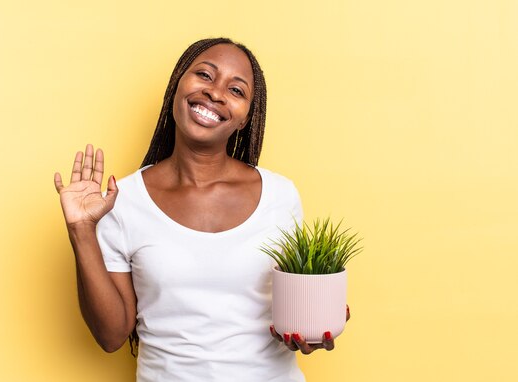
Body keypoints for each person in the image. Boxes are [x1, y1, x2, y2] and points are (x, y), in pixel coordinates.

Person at [54, 38, 350, 382]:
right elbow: (111, 336)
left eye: (236, 90)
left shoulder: (280, 196)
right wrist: (81, 230)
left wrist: (309, 329)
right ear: (178, 84)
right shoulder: (124, 199)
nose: (216, 93)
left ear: (245, 119)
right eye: (204, 75)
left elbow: (294, 311)